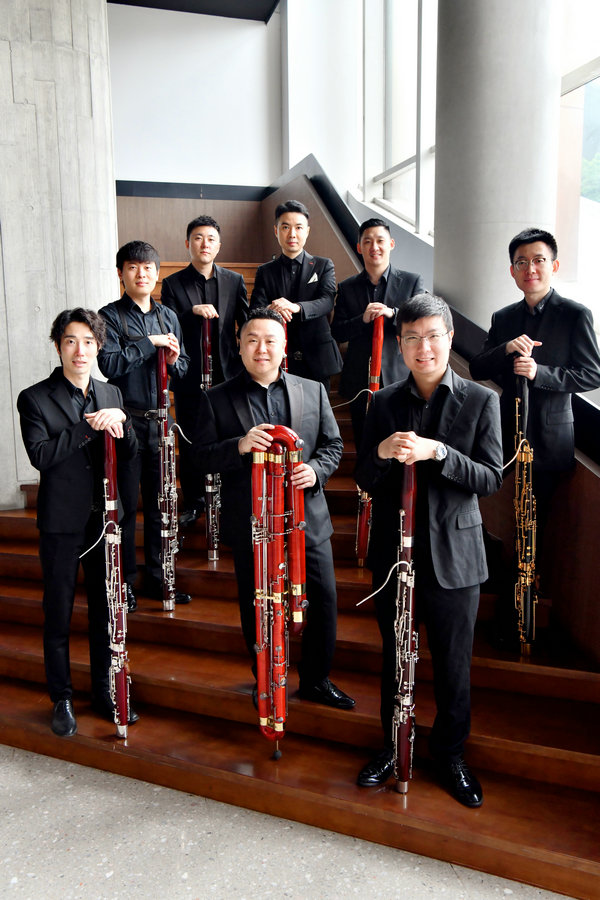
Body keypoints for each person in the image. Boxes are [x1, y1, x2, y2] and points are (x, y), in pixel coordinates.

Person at [355, 294, 503, 807]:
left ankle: (450, 754)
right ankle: (393, 746)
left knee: (453, 665)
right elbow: (366, 478)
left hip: (455, 558)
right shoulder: (382, 403)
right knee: (395, 658)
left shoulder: (482, 400)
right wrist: (379, 452)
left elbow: (490, 477)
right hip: (394, 555)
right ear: (400, 344)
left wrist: (439, 452)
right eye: (413, 338)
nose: (424, 348)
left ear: (450, 338)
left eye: (433, 336)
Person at [194, 308, 354, 710]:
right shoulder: (215, 398)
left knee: (323, 601)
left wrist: (315, 471)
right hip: (253, 524)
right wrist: (238, 446)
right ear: (239, 346)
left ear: (285, 347)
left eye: (270, 341)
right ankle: (264, 677)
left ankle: (316, 679)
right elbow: (199, 458)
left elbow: (333, 445)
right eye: (252, 340)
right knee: (258, 604)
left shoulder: (313, 390)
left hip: (307, 520)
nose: (261, 348)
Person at [17, 308, 139, 737]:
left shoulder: (111, 392)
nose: (80, 350)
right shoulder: (34, 398)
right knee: (58, 612)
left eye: (88, 341)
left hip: (104, 522)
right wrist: (89, 429)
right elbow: (41, 456)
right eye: (71, 341)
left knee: (105, 612)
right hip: (61, 523)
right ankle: (62, 697)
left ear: (99, 346)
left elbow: (129, 453)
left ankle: (104, 692)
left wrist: (123, 424)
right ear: (58, 346)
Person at [470, 227, 600, 526]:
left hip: (549, 437)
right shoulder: (503, 317)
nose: (530, 269)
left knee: (537, 523)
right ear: (512, 271)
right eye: (521, 262)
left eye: (539, 260)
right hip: (504, 430)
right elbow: (477, 369)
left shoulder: (575, 315)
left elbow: (592, 374)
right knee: (471, 492)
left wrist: (539, 372)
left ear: (554, 266)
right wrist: (506, 348)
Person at [98, 240, 191, 608]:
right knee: (125, 509)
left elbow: (183, 371)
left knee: (160, 507)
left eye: (148, 268)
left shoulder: (169, 316)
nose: (141, 274)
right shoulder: (108, 316)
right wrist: (149, 344)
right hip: (126, 424)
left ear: (157, 273)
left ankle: (159, 578)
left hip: (162, 424)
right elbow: (109, 364)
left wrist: (175, 359)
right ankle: (125, 583)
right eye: (133, 267)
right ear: (120, 273)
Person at [161, 215, 249, 528]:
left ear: (219, 245)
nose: (204, 244)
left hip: (227, 375)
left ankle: (227, 497)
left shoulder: (234, 280)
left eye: (211, 239)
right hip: (189, 377)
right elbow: (167, 324)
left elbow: (245, 323)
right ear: (188, 243)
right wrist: (191, 312)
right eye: (198, 238)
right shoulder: (172, 283)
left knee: (228, 436)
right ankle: (195, 501)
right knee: (190, 440)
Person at [332, 218, 424, 449]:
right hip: (359, 380)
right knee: (365, 443)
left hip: (401, 377)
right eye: (368, 241)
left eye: (380, 240)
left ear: (391, 244)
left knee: (401, 444)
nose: (374, 247)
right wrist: (362, 319)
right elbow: (338, 332)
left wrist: (393, 313)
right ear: (359, 247)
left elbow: (420, 321)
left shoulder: (412, 282)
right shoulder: (346, 287)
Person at [250, 200, 342, 391]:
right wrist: (273, 309)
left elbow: (327, 301)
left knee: (317, 409)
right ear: (276, 231)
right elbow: (256, 309)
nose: (292, 234)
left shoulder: (323, 265)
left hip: (317, 357)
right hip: (278, 356)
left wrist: (296, 307)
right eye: (285, 227)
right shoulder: (265, 271)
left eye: (298, 227)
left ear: (307, 231)